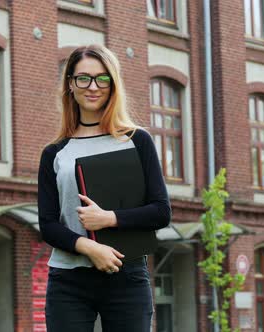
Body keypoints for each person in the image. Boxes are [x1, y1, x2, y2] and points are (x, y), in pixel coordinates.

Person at [37, 44, 171, 332]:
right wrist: (89, 247)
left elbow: (161, 212)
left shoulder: (137, 141)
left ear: (113, 83)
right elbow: (48, 224)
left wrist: (109, 218)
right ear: (70, 84)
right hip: (68, 282)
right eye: (83, 78)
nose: (93, 87)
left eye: (102, 78)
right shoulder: (55, 152)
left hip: (127, 274)